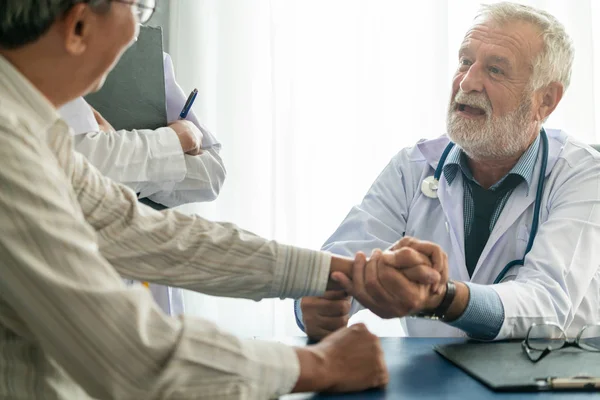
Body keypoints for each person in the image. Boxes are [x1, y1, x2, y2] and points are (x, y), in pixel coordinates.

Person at [0, 1, 446, 398]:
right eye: (139, 8)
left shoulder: (28, 127)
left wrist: (341, 273)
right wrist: (321, 366)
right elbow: (129, 356)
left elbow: (143, 234)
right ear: (78, 25)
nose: (138, 30)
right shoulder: (9, 151)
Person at [296, 1, 600, 342]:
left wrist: (444, 298)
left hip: (546, 383)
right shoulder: (412, 169)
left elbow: (546, 302)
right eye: (465, 62)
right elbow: (340, 260)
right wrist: (318, 301)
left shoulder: (584, 175)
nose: (467, 82)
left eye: (495, 70)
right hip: (432, 382)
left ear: (545, 101)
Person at [59, 51, 226, 315]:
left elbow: (212, 175)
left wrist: (130, 160)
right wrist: (170, 144)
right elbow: (76, 168)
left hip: (149, 272)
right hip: (74, 279)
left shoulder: (148, 59)